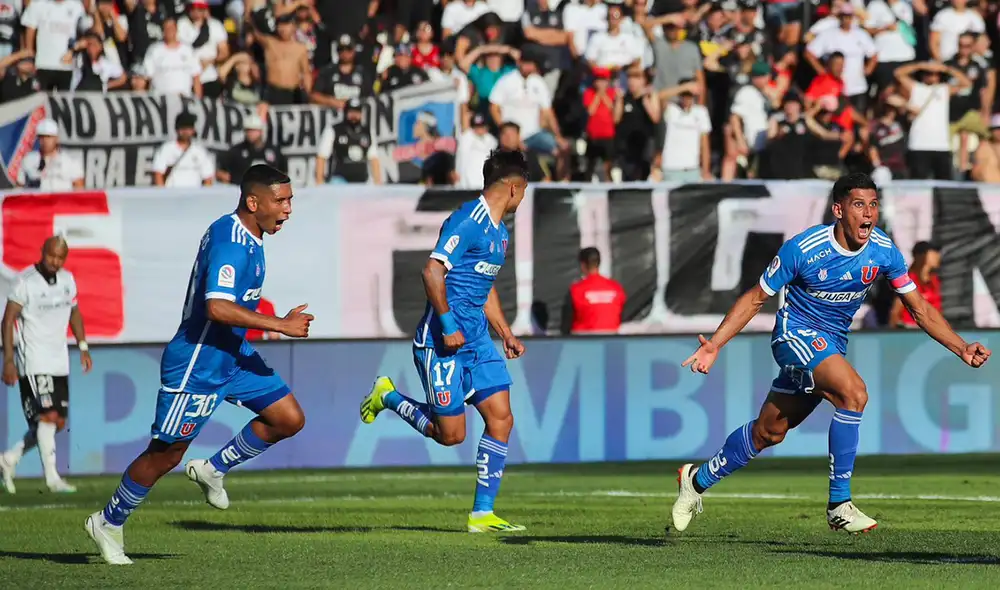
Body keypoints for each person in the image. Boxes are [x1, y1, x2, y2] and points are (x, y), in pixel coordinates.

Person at [672, 173, 991, 535]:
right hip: (794, 335)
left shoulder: (884, 251)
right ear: (838, 209)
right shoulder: (804, 248)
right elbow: (755, 298)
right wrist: (715, 344)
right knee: (854, 393)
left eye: (873, 205)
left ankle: (696, 480)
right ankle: (839, 503)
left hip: (831, 344)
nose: (868, 213)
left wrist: (961, 347)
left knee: (769, 432)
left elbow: (919, 309)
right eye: (858, 205)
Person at [85, 165, 314, 565]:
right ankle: (107, 521)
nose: (289, 209)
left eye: (290, 199)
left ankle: (213, 469)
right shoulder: (230, 241)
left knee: (288, 418)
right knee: (166, 455)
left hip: (232, 356)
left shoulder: (251, 237)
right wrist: (279, 324)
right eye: (281, 200)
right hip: (198, 362)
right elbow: (216, 306)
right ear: (253, 201)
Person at [359, 149, 529, 533]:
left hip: (478, 343)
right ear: (515, 188)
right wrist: (448, 324)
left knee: (501, 418)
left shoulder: (499, 232)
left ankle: (482, 514)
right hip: (441, 342)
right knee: (450, 436)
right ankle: (388, 396)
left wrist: (506, 333)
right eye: (525, 191)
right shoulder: (468, 219)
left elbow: (483, 287)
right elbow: (432, 271)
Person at [0, 236, 91, 494]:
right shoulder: (24, 282)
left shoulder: (67, 281)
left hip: (58, 359)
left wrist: (83, 346)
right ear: (42, 252)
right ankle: (52, 479)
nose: (55, 261)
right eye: (51, 255)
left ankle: (9, 459)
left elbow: (74, 312)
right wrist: (8, 359)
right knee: (47, 417)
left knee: (57, 422)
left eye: (60, 257)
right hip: (34, 359)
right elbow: (8, 320)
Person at [560, 247, 626, 335]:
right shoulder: (617, 288)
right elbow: (620, 316)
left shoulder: (575, 290)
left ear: (583, 265)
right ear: (598, 263)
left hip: (583, 344)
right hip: (610, 342)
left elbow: (566, 325)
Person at [315, 98, 380, 185]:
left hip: (362, 182)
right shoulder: (333, 130)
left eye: (357, 112)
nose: (354, 115)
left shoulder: (368, 132)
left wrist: (378, 183)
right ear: (345, 112)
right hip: (339, 182)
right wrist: (319, 183)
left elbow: (374, 158)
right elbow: (321, 156)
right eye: (351, 112)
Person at [217, 115, 287, 185]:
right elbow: (220, 172)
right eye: (248, 130)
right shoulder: (236, 151)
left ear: (261, 131)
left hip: (269, 191)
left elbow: (283, 172)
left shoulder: (274, 151)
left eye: (254, 130)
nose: (250, 134)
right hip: (241, 190)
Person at [17, 118, 85, 190]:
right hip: (37, 200)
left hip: (62, 200)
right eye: (42, 137)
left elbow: (79, 191)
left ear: (56, 138)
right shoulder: (28, 160)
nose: (45, 140)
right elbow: (19, 188)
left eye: (49, 137)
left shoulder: (70, 161)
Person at [152, 112, 215, 187]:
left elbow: (208, 177)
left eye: (188, 128)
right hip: (172, 194)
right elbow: (158, 174)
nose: (185, 132)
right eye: (182, 128)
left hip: (195, 195)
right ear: (177, 129)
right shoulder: (166, 149)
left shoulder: (200, 151)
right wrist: (163, 194)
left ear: (193, 130)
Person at [889, 242, 942, 329]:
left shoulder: (935, 280)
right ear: (921, 256)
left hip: (932, 332)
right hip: (910, 332)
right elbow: (895, 312)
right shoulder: (906, 280)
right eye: (933, 252)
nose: (938, 255)